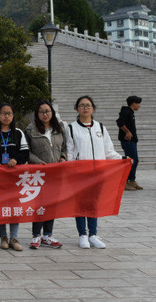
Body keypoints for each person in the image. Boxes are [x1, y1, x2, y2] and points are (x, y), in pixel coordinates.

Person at [65, 95, 125, 249]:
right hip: (80, 174)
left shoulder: (100, 127)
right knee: (80, 205)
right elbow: (69, 152)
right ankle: (82, 235)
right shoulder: (71, 128)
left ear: (93, 108)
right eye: (82, 105)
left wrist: (123, 159)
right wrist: (71, 172)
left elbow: (108, 150)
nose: (85, 108)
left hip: (98, 173)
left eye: (88, 105)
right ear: (77, 108)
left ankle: (93, 234)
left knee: (94, 203)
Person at [25, 100, 66, 249]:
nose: (45, 114)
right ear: (37, 114)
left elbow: (64, 147)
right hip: (39, 172)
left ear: (52, 113)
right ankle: (36, 235)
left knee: (51, 203)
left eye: (47, 111)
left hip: (56, 173)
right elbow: (27, 151)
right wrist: (37, 161)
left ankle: (48, 235)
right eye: (41, 112)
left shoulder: (59, 128)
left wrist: (63, 158)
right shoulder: (30, 130)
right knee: (39, 203)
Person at [0, 103, 29, 251]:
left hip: (15, 177)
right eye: (3, 113)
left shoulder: (18, 133)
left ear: (13, 116)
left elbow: (25, 153)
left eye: (9, 113)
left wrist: (16, 160)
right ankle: (3, 237)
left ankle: (14, 238)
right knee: (0, 206)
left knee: (14, 206)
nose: (6, 116)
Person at [117, 95, 142, 191]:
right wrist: (127, 132)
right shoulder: (126, 111)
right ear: (133, 103)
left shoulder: (130, 112)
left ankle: (132, 180)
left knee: (135, 160)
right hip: (127, 141)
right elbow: (119, 122)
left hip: (132, 140)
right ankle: (125, 181)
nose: (139, 106)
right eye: (138, 103)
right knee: (130, 161)